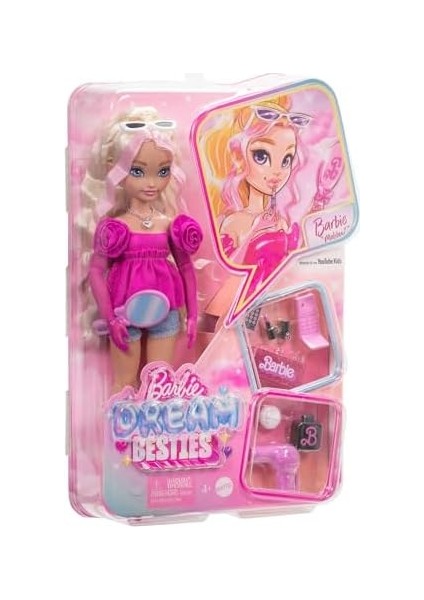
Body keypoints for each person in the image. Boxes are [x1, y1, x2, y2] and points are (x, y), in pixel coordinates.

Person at [82, 107, 202, 392]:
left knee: (160, 383)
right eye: (138, 171)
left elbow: (186, 267)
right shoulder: (114, 227)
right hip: (125, 312)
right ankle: (117, 421)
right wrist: (110, 318)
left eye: (162, 172)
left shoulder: (169, 223)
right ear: (116, 168)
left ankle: (155, 421)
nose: (151, 183)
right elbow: (96, 272)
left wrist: (192, 314)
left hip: (166, 310)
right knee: (124, 382)